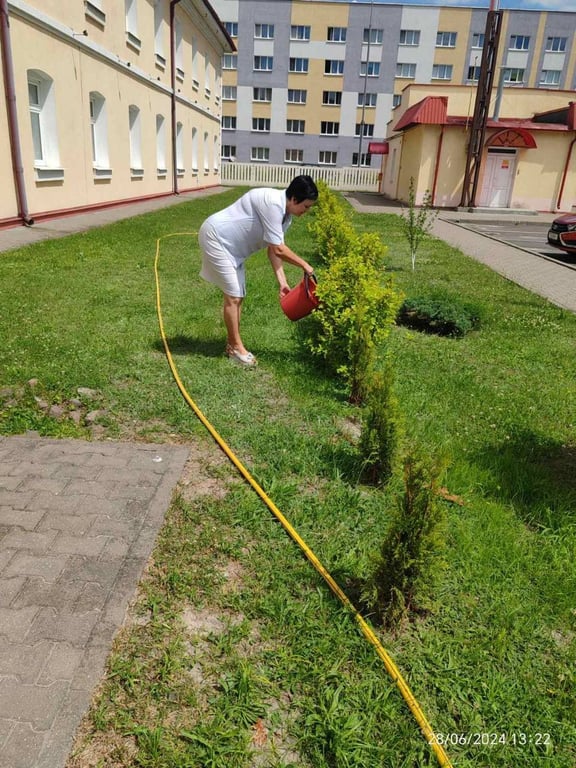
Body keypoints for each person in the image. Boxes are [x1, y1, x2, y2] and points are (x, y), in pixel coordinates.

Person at [198, 174, 318, 366]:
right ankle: (236, 349)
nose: (307, 211)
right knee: (233, 297)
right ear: (294, 199)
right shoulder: (272, 204)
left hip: (233, 249)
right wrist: (305, 265)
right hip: (217, 238)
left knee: (239, 296)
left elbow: (273, 250)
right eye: (306, 206)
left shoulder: (286, 217)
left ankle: (232, 345)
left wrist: (282, 283)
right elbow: (279, 249)